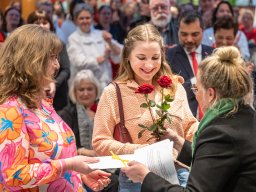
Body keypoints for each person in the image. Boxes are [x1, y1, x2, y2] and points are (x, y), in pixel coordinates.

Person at [122, 46, 256, 192]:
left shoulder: (220, 133)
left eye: (196, 89)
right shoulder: (247, 115)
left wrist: (146, 177)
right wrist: (180, 144)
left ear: (210, 94)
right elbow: (218, 162)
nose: (196, 95)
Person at [0, 24, 111, 191]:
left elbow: (51, 159)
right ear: (30, 61)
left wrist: (77, 173)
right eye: (51, 57)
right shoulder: (10, 110)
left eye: (57, 57)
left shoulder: (43, 104)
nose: (57, 65)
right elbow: (14, 175)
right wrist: (68, 165)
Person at [92, 23, 198, 192]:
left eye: (155, 58)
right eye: (141, 58)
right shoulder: (113, 92)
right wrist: (141, 151)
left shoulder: (174, 86)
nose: (149, 65)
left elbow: (190, 128)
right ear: (128, 56)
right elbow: (99, 142)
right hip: (135, 180)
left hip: (179, 177)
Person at [60, 70, 119, 192]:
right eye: (81, 90)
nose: (85, 93)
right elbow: (65, 150)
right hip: (81, 164)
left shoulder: (104, 109)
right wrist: (87, 152)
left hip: (107, 158)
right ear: (74, 93)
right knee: (112, 181)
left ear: (96, 90)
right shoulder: (67, 114)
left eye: (89, 89)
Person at [166, 11, 213, 119]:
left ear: (203, 31)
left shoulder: (214, 55)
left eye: (195, 34)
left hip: (212, 121)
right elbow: (170, 90)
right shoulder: (169, 57)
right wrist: (199, 83)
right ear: (178, 32)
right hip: (183, 121)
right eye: (184, 34)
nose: (189, 39)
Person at [67, 3, 122, 89]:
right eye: (81, 18)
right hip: (85, 87)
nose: (85, 21)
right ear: (76, 20)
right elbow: (79, 62)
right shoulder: (73, 38)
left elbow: (121, 52)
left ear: (92, 18)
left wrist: (110, 42)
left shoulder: (101, 34)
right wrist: (103, 58)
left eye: (88, 18)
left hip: (105, 84)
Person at [27, 10, 70, 112]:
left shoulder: (59, 44)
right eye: (37, 23)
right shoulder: (27, 47)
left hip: (58, 98)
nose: (41, 26)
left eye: (45, 23)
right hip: (32, 97)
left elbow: (66, 70)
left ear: (50, 25)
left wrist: (54, 83)